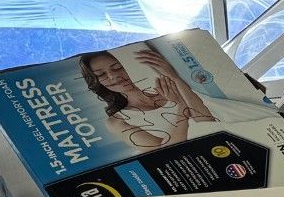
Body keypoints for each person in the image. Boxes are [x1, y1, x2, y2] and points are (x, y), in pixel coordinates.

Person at [78, 47, 215, 148]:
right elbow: (168, 153)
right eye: (101, 75)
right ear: (97, 82)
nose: (113, 76)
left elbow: (208, 121)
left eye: (118, 67)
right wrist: (181, 105)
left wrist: (174, 77)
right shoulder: (118, 121)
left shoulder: (169, 85)